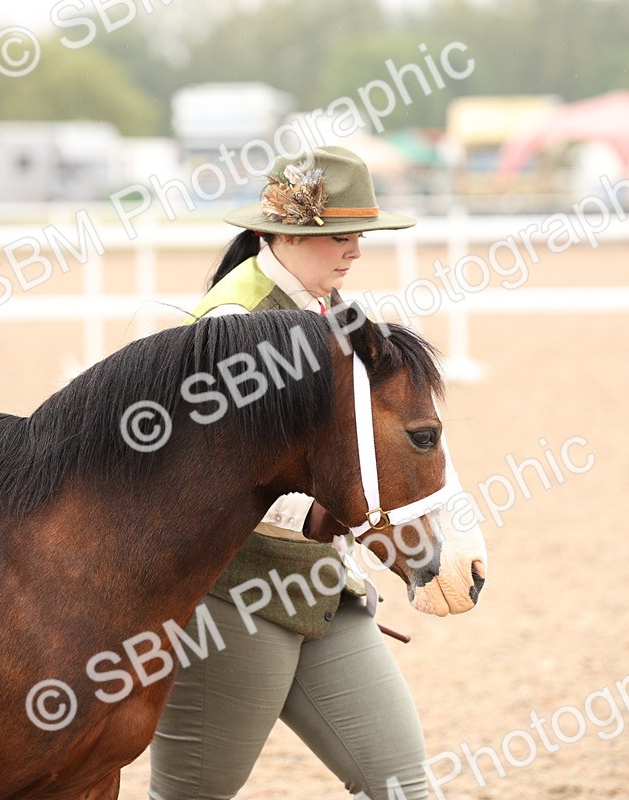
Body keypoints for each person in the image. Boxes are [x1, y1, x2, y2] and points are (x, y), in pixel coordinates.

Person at [147, 146, 430, 800]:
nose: (355, 249)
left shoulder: (332, 311)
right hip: (232, 593)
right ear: (279, 233)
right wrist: (310, 514)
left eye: (360, 234)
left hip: (322, 586)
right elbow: (199, 474)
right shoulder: (231, 321)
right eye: (339, 235)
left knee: (405, 783)